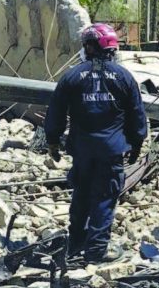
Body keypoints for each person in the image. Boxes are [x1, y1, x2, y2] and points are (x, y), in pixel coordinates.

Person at [44, 23, 147, 264]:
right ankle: (97, 251)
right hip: (111, 151)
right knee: (104, 198)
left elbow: (56, 112)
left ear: (90, 47)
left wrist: (52, 142)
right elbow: (137, 115)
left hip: (81, 149)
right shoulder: (124, 77)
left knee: (81, 194)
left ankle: (76, 243)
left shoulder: (72, 76)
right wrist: (136, 143)